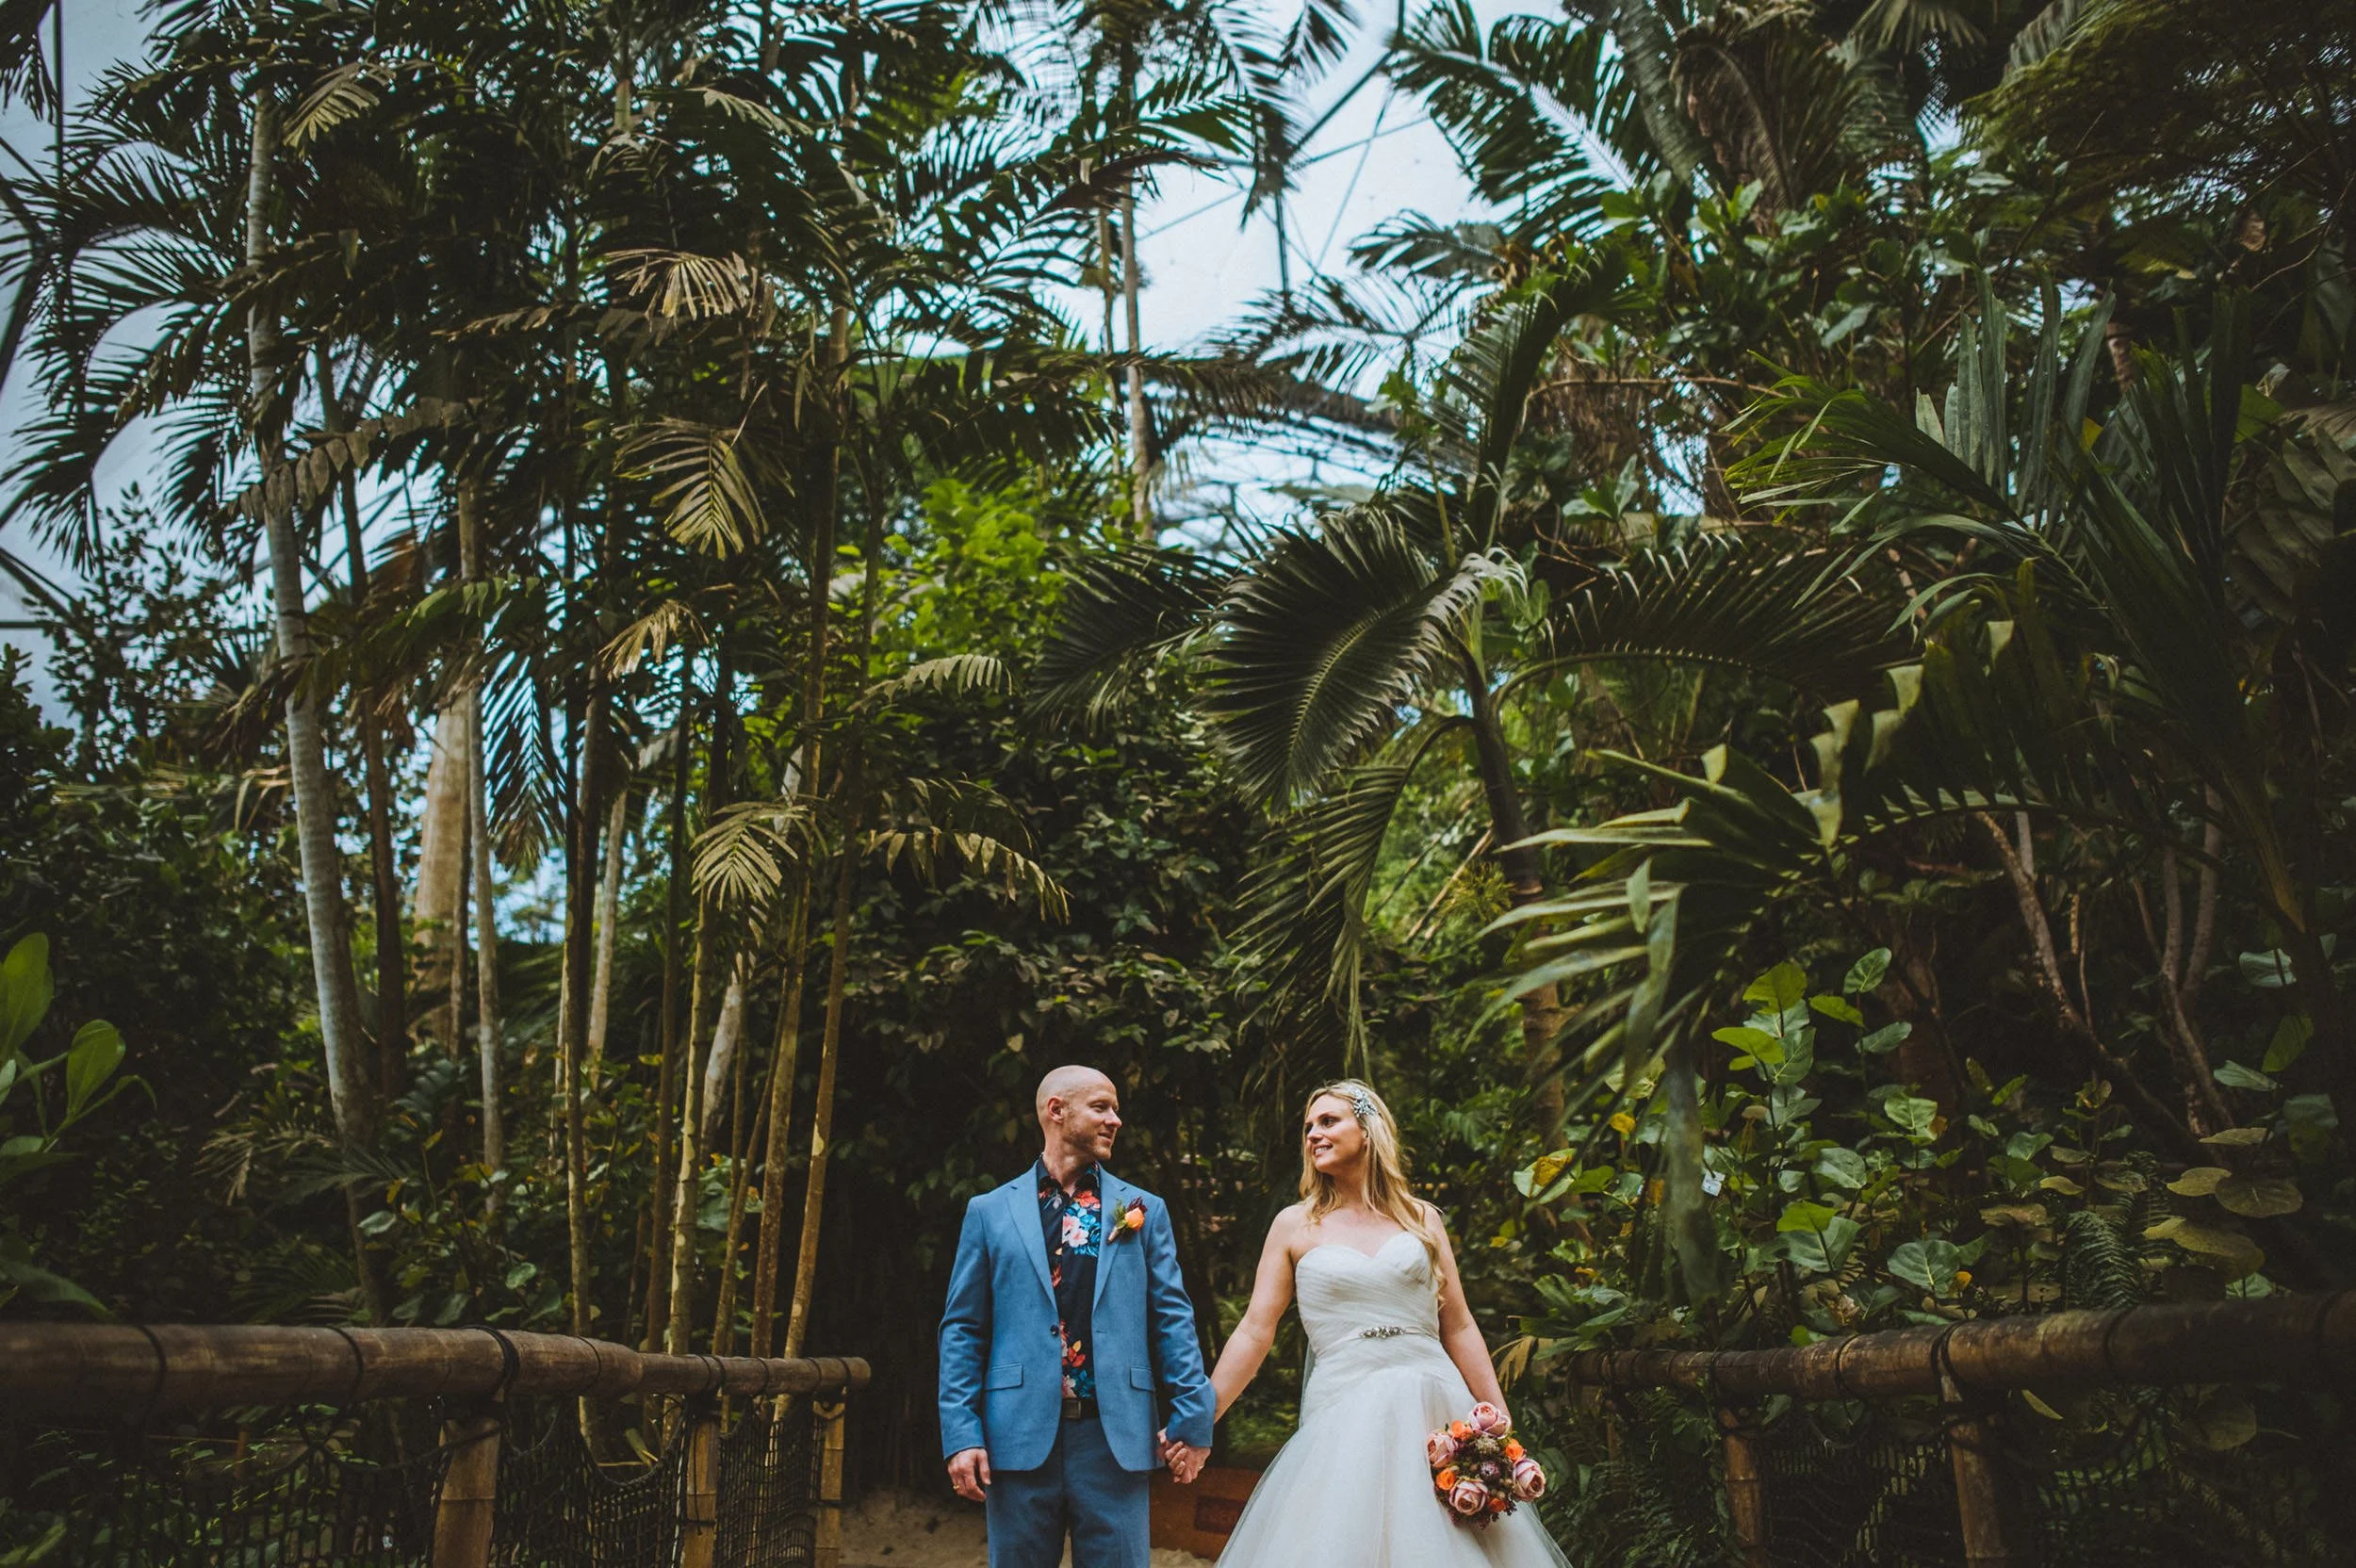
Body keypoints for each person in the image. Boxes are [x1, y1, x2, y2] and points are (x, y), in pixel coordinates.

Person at [1203, 1078, 1575, 1565]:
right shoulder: (1294, 1225)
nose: (1313, 1134)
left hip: (1435, 1404)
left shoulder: (1423, 1220)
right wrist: (1201, 1417)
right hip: (1342, 1406)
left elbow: (1458, 1326)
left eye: (1329, 1121)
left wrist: (1498, 1424)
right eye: (1308, 1126)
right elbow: (1255, 1329)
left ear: (1369, 1129)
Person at [939, 1065, 1215, 1568]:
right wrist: (961, 1432)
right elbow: (963, 1328)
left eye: (1116, 1109)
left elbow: (1172, 1318)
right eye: (1101, 1107)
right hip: (1016, 1437)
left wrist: (1193, 1419)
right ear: (1057, 1110)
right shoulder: (989, 1211)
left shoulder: (1142, 1209)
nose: (1116, 1120)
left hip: (1115, 1441)